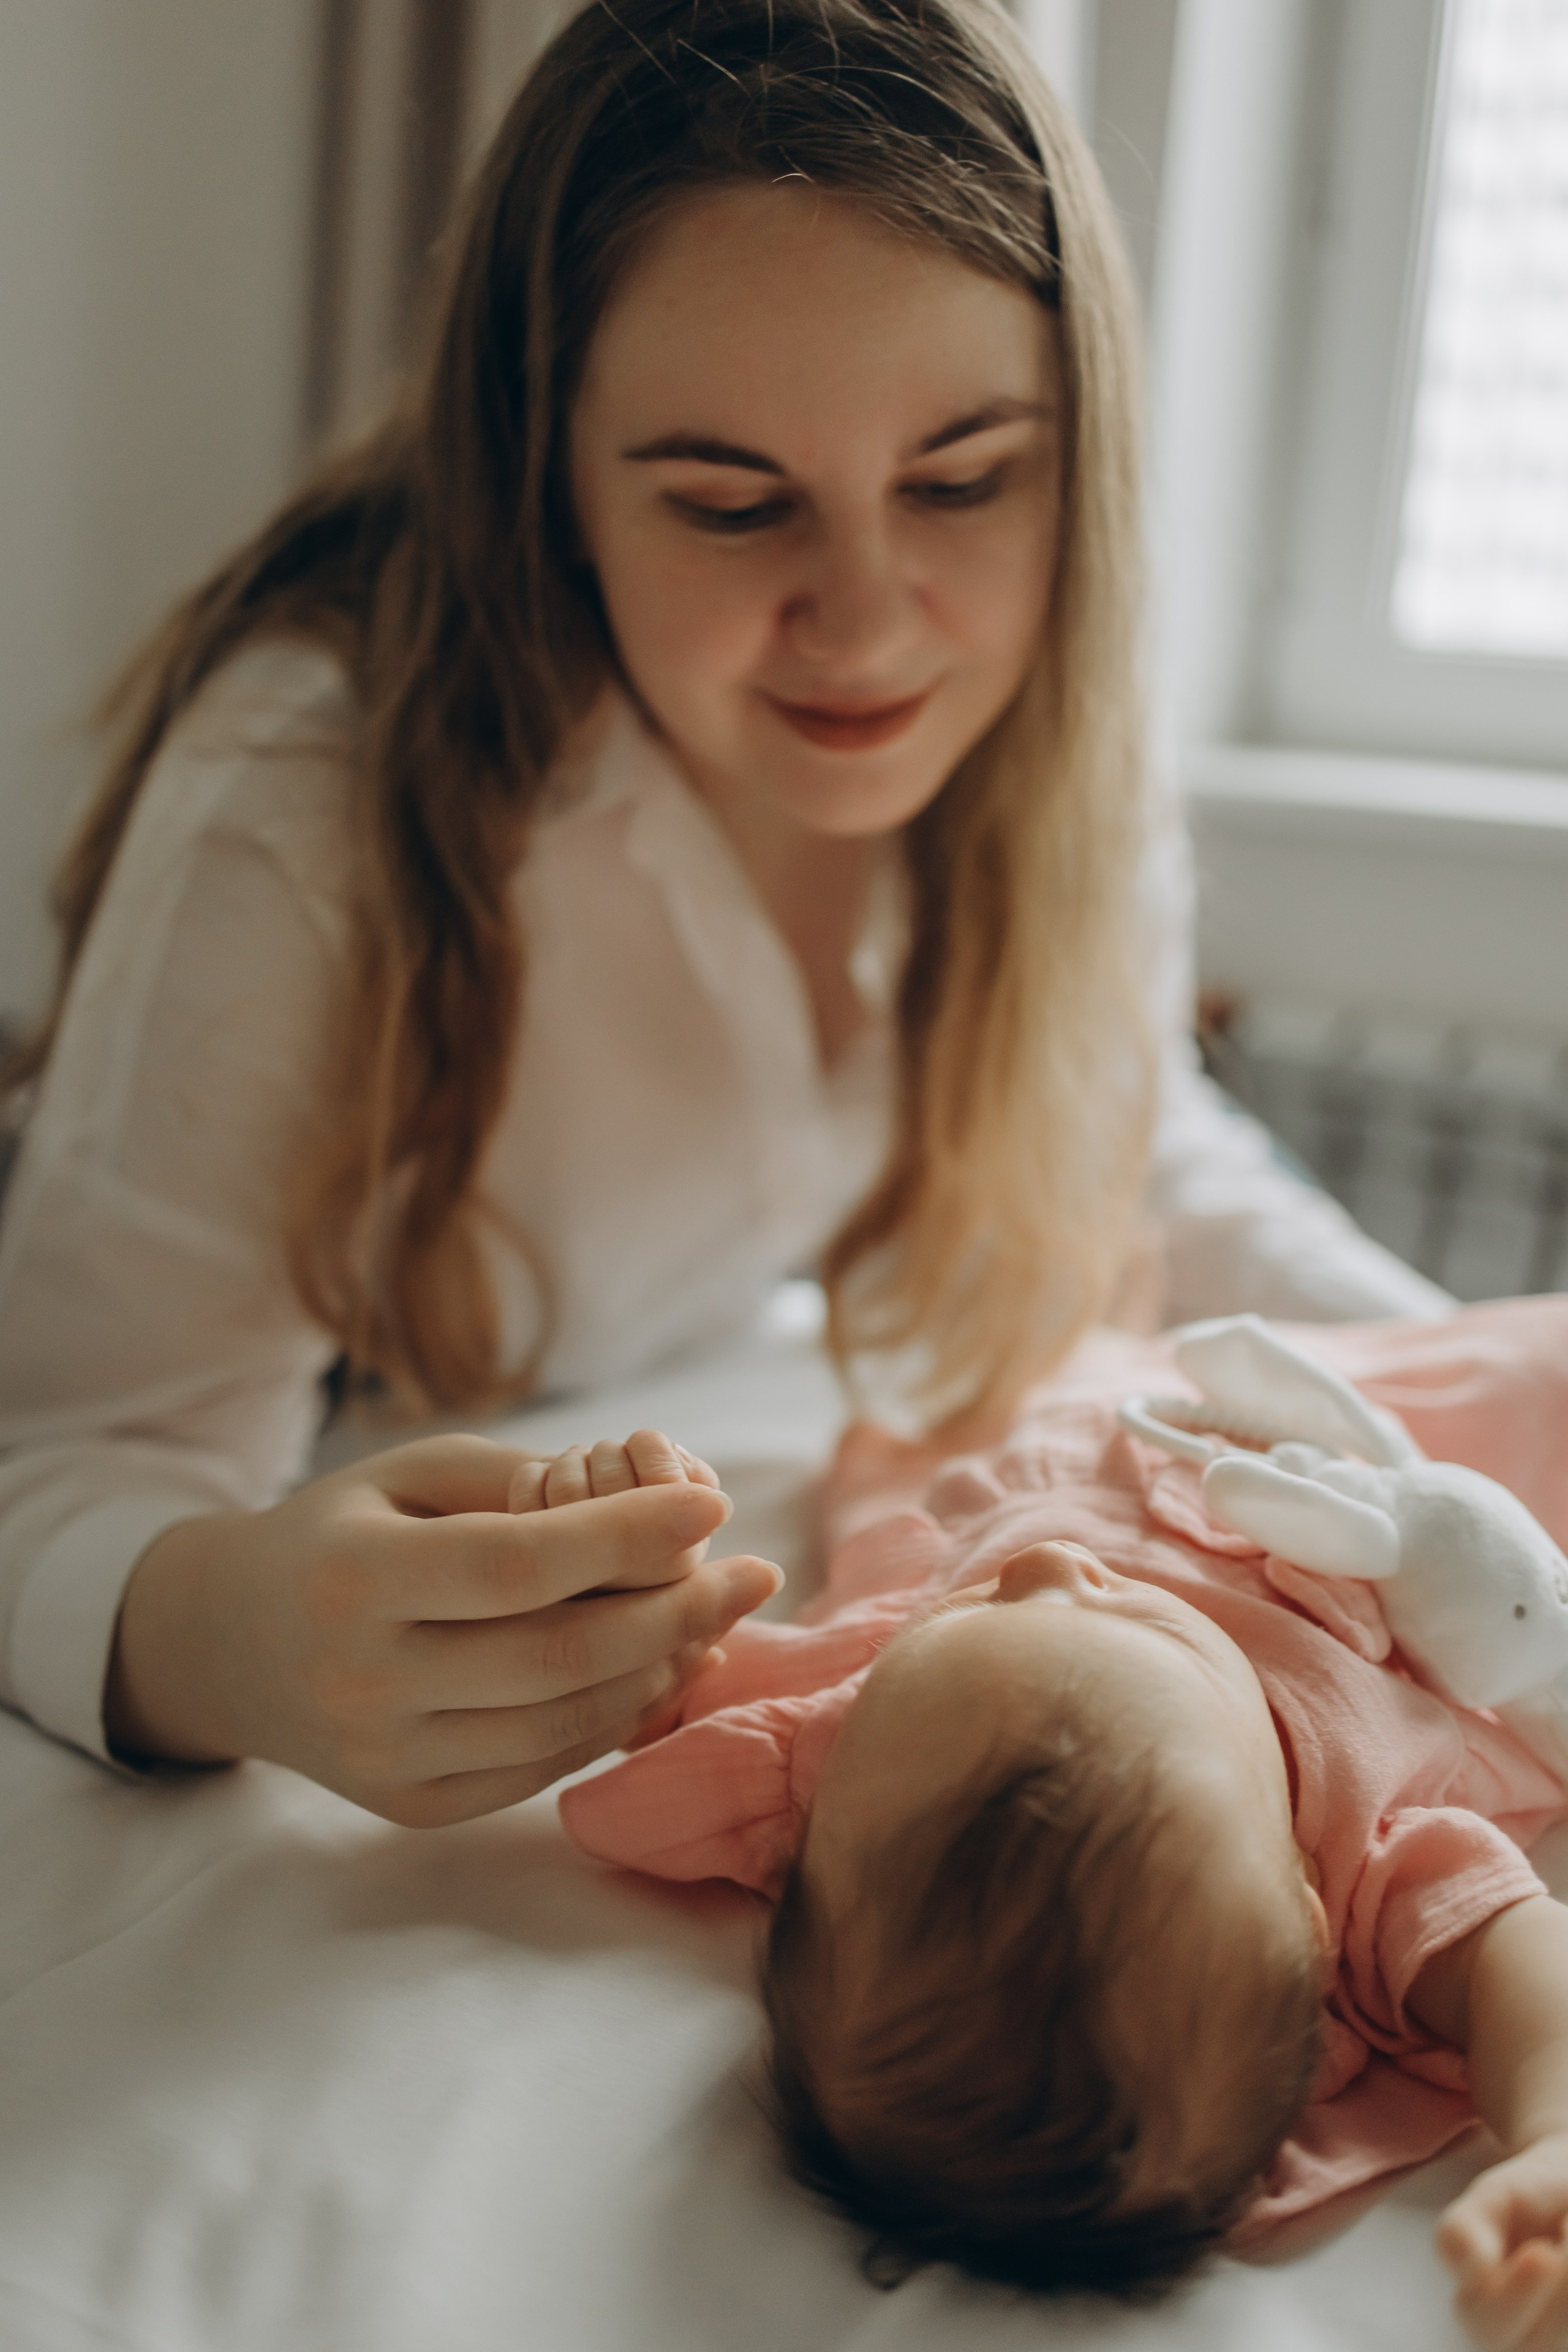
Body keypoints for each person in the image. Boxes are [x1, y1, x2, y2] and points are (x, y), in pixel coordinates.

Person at [0, 0, 1445, 1824]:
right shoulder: (314, 797)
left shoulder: (1044, 710)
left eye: (965, 479)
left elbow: (1135, 1134)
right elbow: (56, 1462)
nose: (866, 622)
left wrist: (1487, 1389)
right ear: (553, 487)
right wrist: (236, 1633)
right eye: (733, 505)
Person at [559, 1298, 1568, 2346]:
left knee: (962, 1368)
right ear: (1309, 1922)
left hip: (1065, 1416)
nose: (1049, 1571)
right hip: (1357, 1463)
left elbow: (647, 1667)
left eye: (984, 1609)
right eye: (1150, 1633)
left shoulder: (854, 1753)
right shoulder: (1374, 1860)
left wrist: (615, 1561)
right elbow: (1525, 1969)